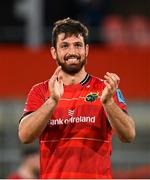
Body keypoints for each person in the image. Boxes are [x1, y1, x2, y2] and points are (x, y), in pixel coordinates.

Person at [18, 17, 136, 179]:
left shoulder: (106, 89)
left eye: (78, 45)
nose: (72, 52)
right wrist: (52, 101)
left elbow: (129, 135)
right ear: (54, 52)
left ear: (86, 50)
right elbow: (24, 136)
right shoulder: (40, 91)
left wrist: (108, 103)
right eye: (65, 46)